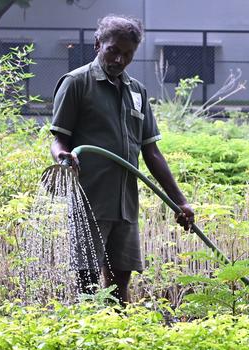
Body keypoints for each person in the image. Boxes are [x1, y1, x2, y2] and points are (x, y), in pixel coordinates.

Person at [49, 14, 195, 305]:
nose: (119, 59)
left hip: (125, 203)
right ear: (97, 45)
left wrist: (180, 200)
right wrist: (63, 157)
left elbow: (151, 151)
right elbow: (58, 139)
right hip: (90, 198)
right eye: (113, 50)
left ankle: (119, 335)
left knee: (121, 279)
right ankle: (88, 333)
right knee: (88, 281)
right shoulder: (77, 83)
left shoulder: (136, 91)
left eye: (127, 54)